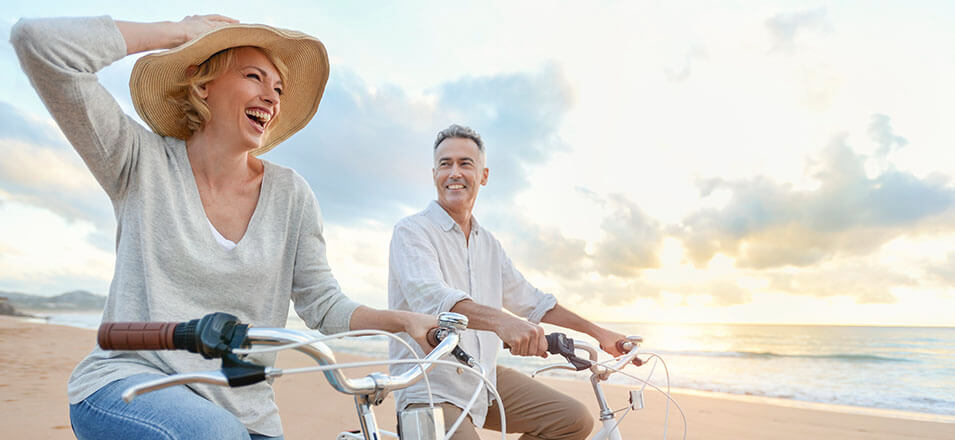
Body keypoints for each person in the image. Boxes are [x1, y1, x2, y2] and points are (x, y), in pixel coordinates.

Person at [11, 15, 437, 440]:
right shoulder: (139, 161)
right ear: (202, 85)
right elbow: (39, 44)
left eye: (279, 89)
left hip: (247, 415)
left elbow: (322, 304)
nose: (271, 96)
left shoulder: (292, 195)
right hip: (128, 385)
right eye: (255, 77)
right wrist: (180, 34)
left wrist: (402, 321)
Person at [387, 124, 633, 439]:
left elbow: (532, 301)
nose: (454, 172)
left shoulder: (488, 244)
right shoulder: (411, 231)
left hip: (483, 377)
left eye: (465, 163)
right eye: (445, 164)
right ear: (434, 174)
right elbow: (432, 298)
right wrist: (503, 323)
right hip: (430, 386)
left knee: (573, 421)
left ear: (484, 175)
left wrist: (600, 334)